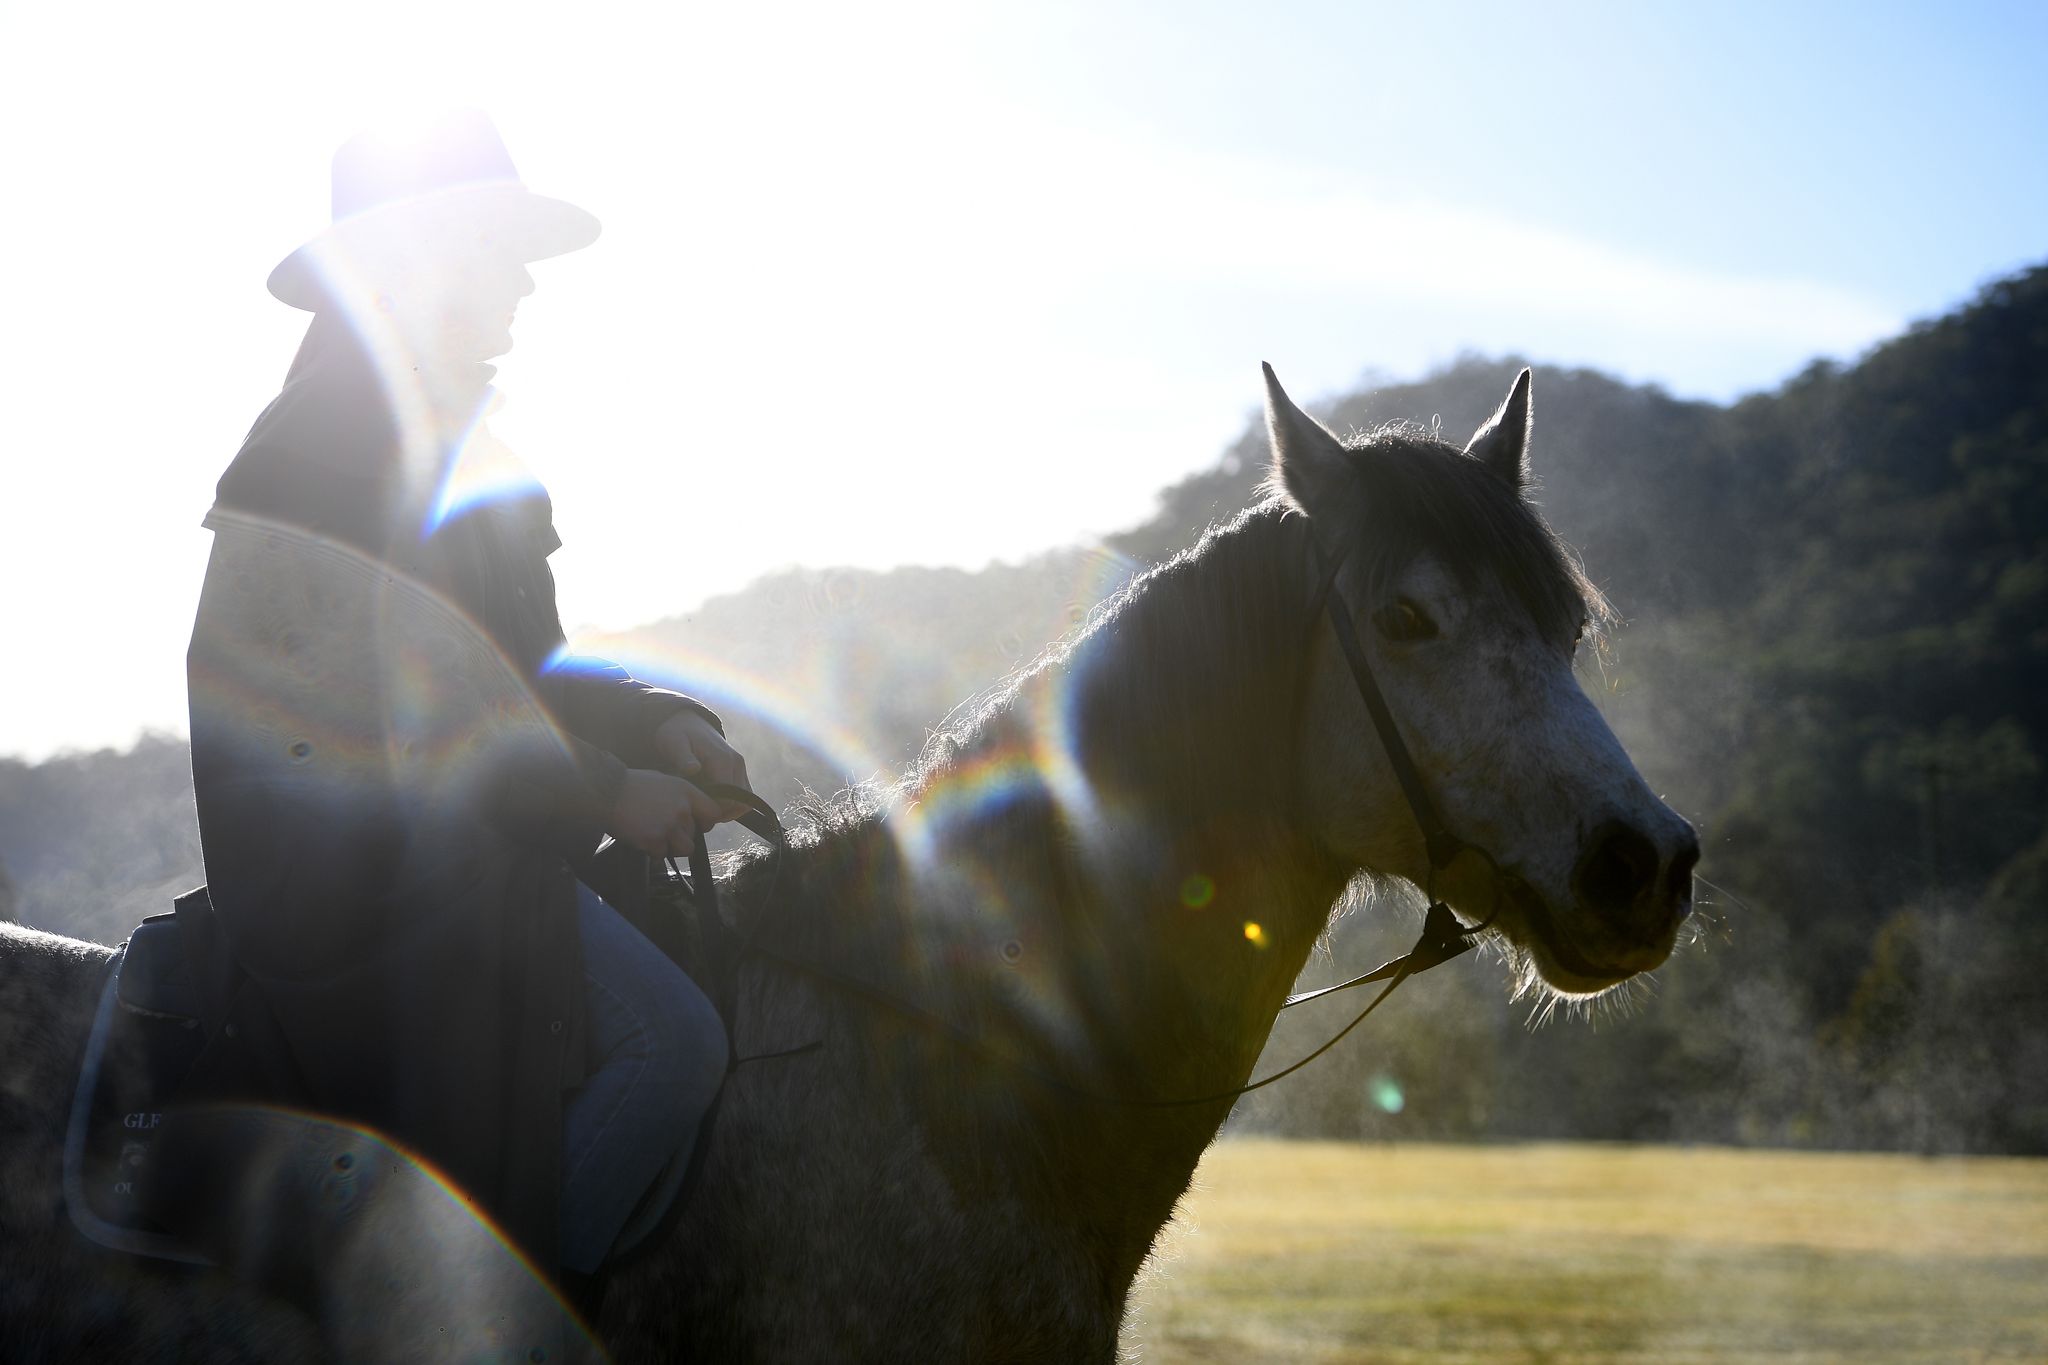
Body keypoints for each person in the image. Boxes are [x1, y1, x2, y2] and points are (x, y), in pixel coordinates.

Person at [185, 110, 748, 1278]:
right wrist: (605, 790)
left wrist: (654, 721)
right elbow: (402, 710)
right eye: (500, 253)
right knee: (674, 1046)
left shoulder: (464, 449)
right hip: (365, 890)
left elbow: (522, 673)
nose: (524, 286)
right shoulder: (325, 445)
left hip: (466, 853)